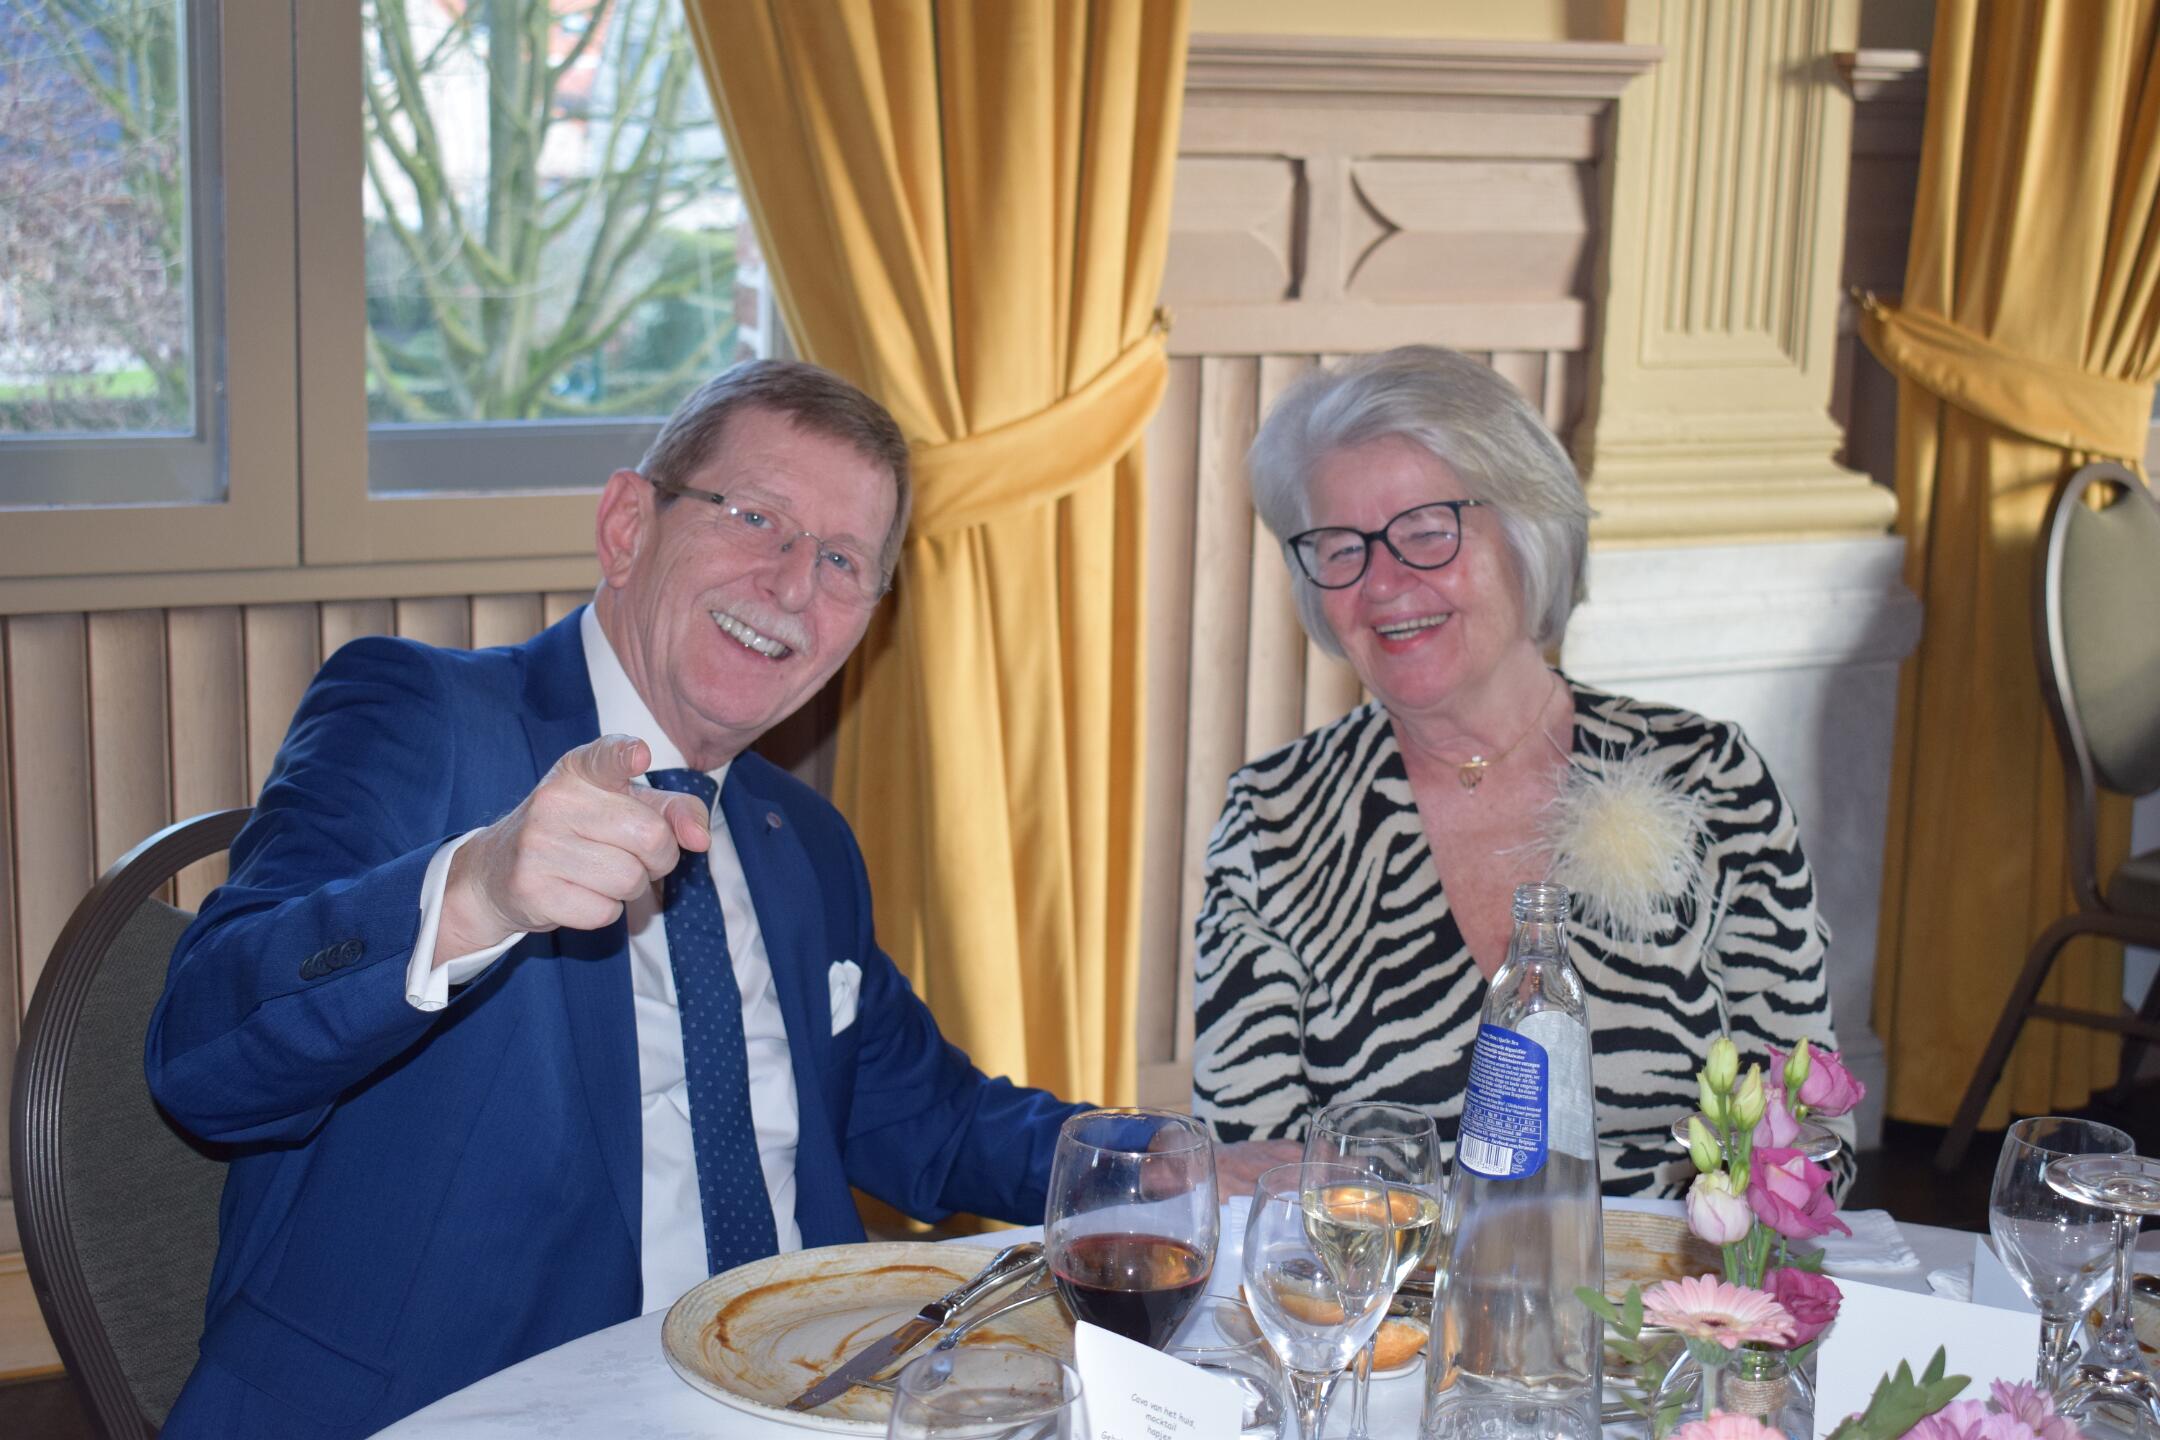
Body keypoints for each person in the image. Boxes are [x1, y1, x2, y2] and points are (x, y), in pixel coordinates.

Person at [145, 361, 1092, 1439]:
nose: (793, 586)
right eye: (757, 518)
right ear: (627, 526)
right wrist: (476, 891)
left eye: (842, 561)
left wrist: (1153, 1163)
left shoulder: (803, 841)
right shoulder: (427, 718)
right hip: (461, 1408)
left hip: (798, 1400)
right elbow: (202, 1060)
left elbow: (928, 1116)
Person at [1190, 346, 1848, 1197]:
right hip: (1391, 1283)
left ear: (1528, 531)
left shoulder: (1710, 781)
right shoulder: (1277, 821)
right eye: (1341, 548)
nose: (1383, 583)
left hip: (1670, 1280)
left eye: (1426, 532)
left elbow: (1812, 1139)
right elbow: (1254, 1179)